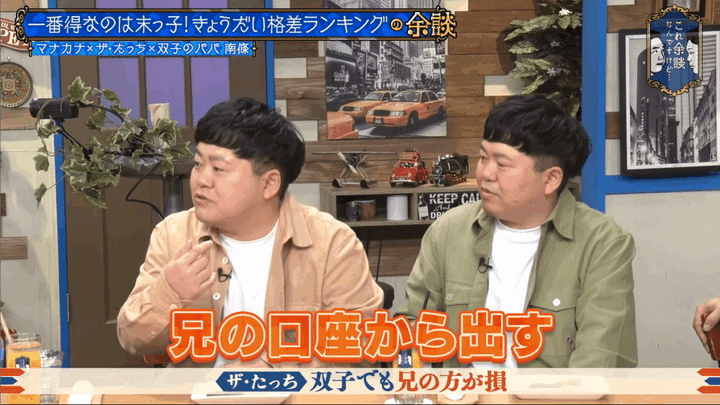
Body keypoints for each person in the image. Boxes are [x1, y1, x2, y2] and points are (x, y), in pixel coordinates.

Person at [117, 97, 384, 368]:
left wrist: (271, 372)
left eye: (218, 168)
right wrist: (169, 292)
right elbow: (132, 339)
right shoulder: (173, 234)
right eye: (198, 164)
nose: (201, 180)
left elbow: (360, 350)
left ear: (269, 184)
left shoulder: (332, 244)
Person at [396, 95, 638, 368]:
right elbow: (412, 329)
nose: (485, 174)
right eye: (483, 157)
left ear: (551, 179)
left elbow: (596, 361)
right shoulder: (447, 232)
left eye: (502, 164)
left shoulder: (603, 244)